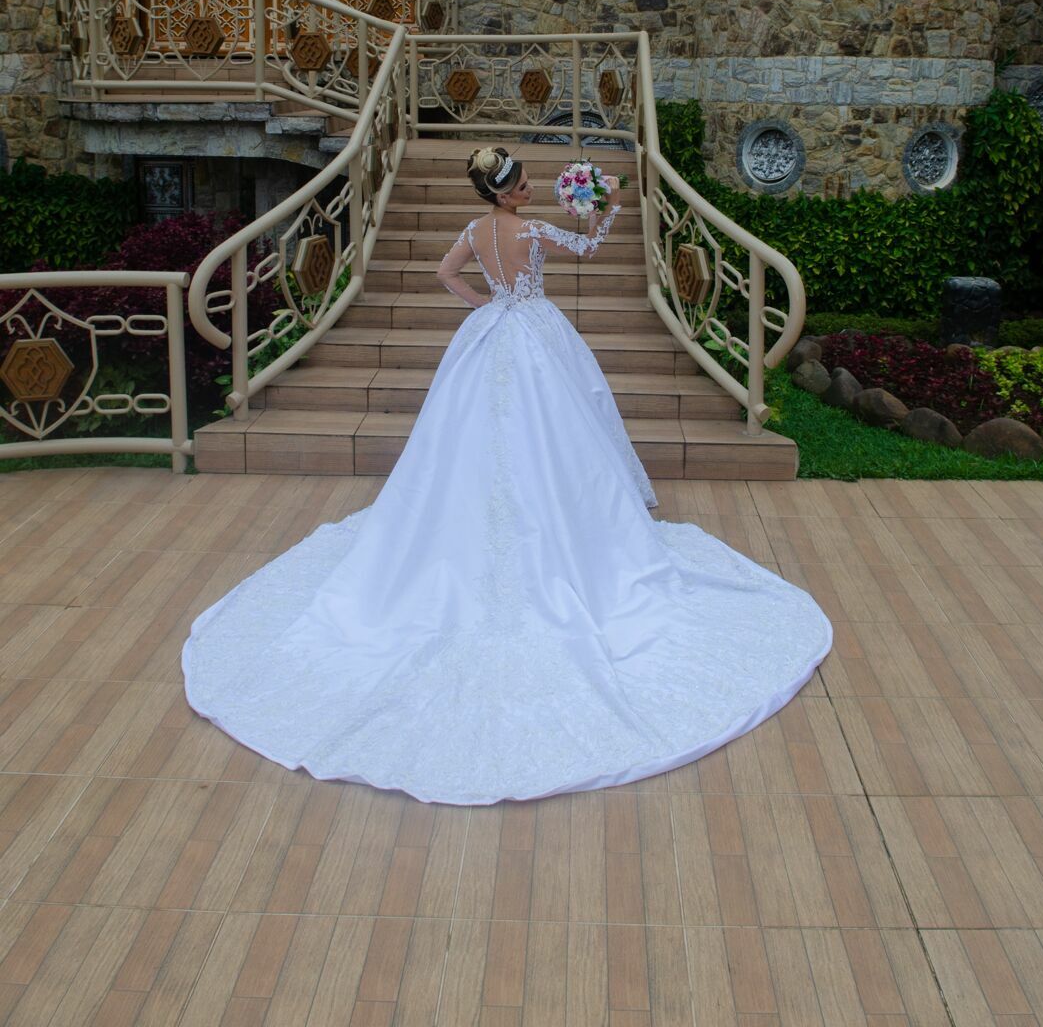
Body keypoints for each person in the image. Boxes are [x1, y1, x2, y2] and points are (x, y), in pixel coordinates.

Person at [182, 144, 832, 805]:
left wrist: (482, 304)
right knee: (556, 428)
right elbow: (588, 249)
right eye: (519, 183)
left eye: (525, 181)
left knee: (474, 434)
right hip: (536, 330)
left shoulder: (475, 230)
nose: (528, 188)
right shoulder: (534, 230)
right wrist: (604, 210)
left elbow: (445, 272)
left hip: (494, 328)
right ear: (502, 191)